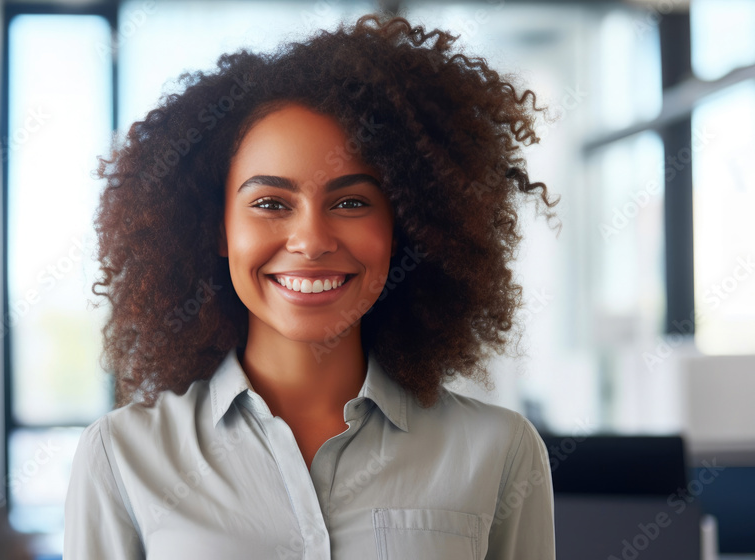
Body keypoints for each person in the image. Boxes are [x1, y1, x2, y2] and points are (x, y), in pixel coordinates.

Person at [65, 12, 561, 559]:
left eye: (351, 202)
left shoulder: (499, 453)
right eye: (270, 204)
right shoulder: (123, 458)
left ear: (406, 227)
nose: (312, 239)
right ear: (216, 230)